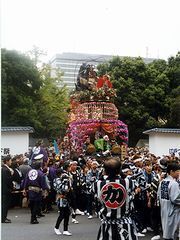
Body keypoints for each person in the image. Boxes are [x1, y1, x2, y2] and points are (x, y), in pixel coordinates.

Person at [92, 157, 137, 240]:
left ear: (104, 170)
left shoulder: (98, 184)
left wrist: (103, 174)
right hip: (125, 224)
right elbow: (127, 179)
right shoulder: (128, 182)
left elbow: (98, 181)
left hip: (107, 224)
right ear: (119, 170)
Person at [22, 155, 49, 224]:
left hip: (30, 190)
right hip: (37, 191)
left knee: (32, 204)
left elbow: (26, 181)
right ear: (40, 166)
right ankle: (33, 219)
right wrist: (45, 191)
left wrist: (24, 189)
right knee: (36, 205)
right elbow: (43, 184)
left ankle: (33, 217)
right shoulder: (41, 174)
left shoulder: (29, 172)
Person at [157, 161, 180, 240]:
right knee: (173, 233)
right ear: (171, 171)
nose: (178, 173)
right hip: (173, 211)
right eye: (177, 171)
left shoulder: (162, 182)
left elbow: (158, 195)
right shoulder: (174, 184)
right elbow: (176, 199)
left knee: (167, 231)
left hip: (164, 209)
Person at [53, 162, 72, 236]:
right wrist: (65, 182)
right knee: (62, 214)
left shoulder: (63, 179)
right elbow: (63, 189)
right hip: (61, 199)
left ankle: (65, 229)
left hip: (66, 198)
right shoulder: (56, 180)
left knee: (67, 214)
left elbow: (68, 188)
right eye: (62, 174)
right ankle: (56, 227)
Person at [1, 155, 14, 223]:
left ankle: (4, 217)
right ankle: (3, 218)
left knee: (4, 204)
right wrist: (11, 175)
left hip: (4, 189)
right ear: (7, 161)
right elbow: (8, 181)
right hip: (6, 190)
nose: (11, 162)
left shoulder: (3, 169)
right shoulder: (6, 170)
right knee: (5, 205)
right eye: (10, 160)